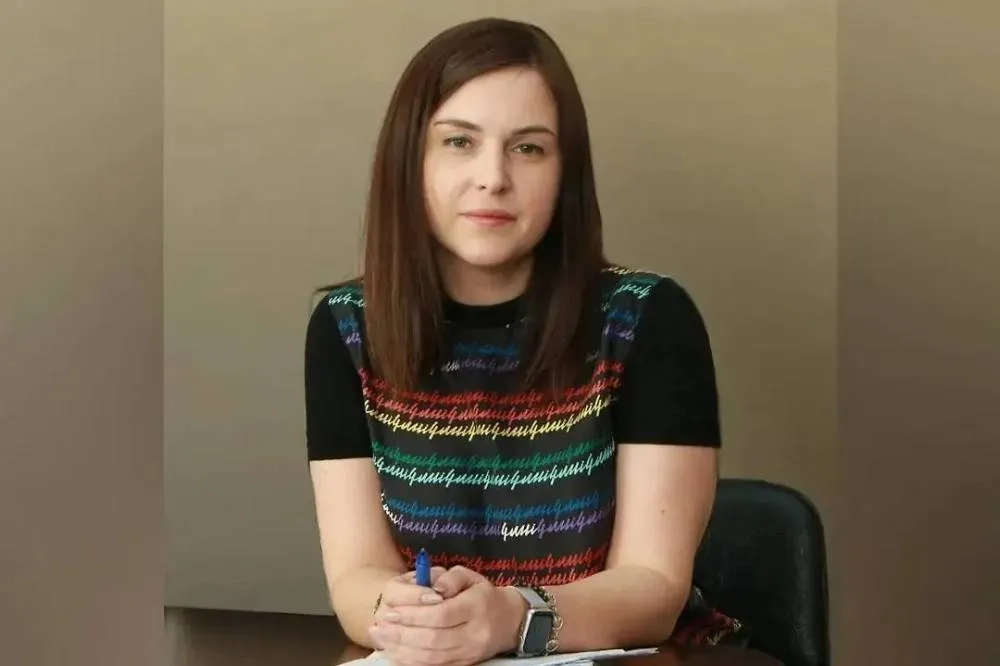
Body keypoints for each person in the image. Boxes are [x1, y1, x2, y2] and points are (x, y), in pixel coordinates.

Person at [305, 17, 742, 666]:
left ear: (565, 172)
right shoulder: (346, 329)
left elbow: (653, 588)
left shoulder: (648, 319)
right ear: (410, 160)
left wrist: (512, 616)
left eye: (529, 148)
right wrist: (411, 616)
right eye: (459, 142)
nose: (493, 177)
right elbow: (355, 579)